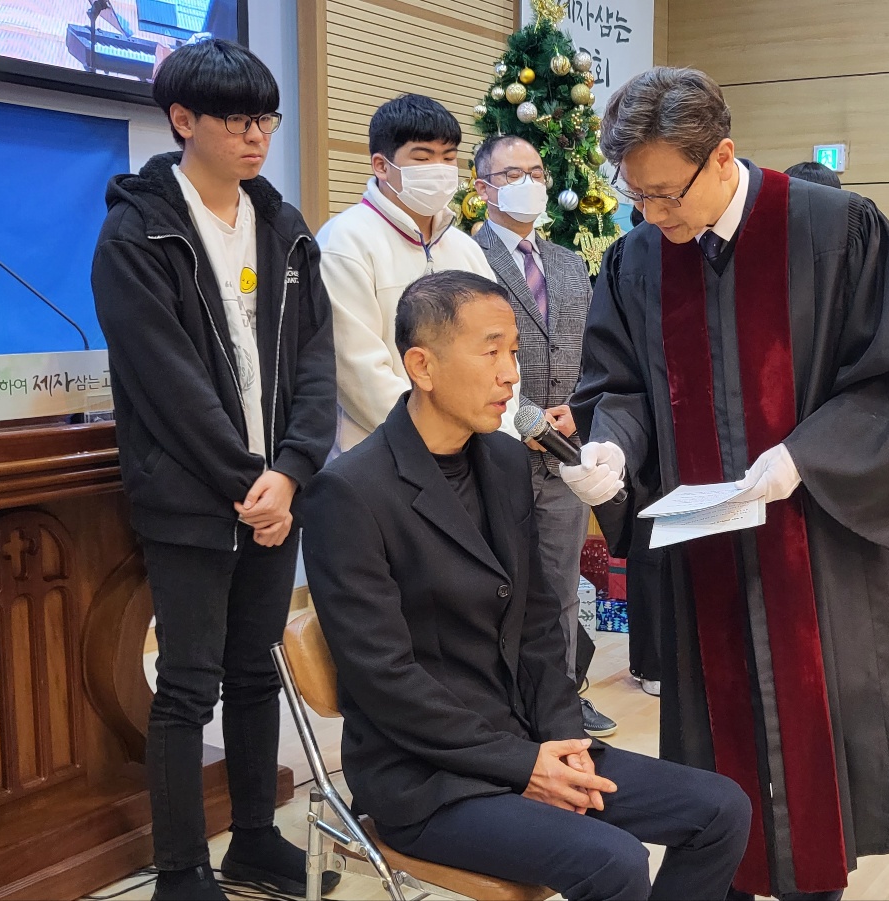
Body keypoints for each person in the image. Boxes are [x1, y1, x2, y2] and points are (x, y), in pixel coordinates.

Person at [566, 67, 889, 900]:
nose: (650, 214)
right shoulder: (637, 259)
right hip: (708, 563)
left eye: (665, 194)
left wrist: (801, 458)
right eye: (635, 195)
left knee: (817, 768)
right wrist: (613, 451)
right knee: (719, 766)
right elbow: (617, 386)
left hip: (818, 551)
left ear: (722, 155)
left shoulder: (836, 230)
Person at [301, 270, 751, 901]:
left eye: (513, 351)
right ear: (422, 366)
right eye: (491, 352)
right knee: (614, 861)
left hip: (528, 736)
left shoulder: (506, 459)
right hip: (429, 775)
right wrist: (523, 766)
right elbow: (385, 681)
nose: (512, 374)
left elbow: (539, 620)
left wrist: (562, 737)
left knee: (721, 809)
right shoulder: (349, 493)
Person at [89, 39, 338, 901]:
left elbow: (315, 362)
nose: (256, 135)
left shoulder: (284, 226)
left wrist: (292, 473)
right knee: (188, 684)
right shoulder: (137, 231)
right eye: (236, 120)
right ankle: (182, 868)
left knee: (256, 669)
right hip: (195, 497)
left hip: (278, 493)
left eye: (265, 118)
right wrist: (247, 482)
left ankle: (254, 839)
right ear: (182, 120)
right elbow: (167, 382)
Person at [469, 134, 616, 738]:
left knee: (560, 586)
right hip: (493, 448)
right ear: (483, 187)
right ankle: (498, 710)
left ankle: (562, 703)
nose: (528, 183)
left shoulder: (567, 262)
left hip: (564, 452)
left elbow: (594, 350)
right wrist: (523, 417)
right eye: (512, 174)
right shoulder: (467, 256)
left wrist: (576, 410)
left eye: (535, 171)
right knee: (491, 587)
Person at [317, 93, 512, 454]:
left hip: (471, 453)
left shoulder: (464, 248)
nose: (439, 169)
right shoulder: (344, 242)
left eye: (448, 158)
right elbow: (360, 373)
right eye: (423, 158)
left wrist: (493, 437)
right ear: (381, 165)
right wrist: (435, 437)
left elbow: (500, 346)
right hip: (383, 455)